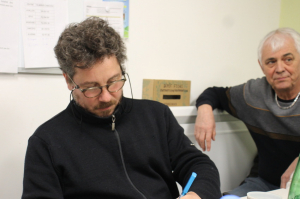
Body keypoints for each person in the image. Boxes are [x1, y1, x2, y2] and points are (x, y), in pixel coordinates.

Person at [21, 17, 221, 199]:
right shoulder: (46, 142)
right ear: (68, 80)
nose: (107, 96)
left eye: (114, 82)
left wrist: (195, 196)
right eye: (92, 88)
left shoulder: (157, 116)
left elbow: (200, 167)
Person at [194, 27, 300, 197]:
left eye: (288, 59)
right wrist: (204, 111)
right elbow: (214, 93)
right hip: (263, 183)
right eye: (271, 62)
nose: (280, 68)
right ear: (261, 66)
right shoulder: (254, 93)